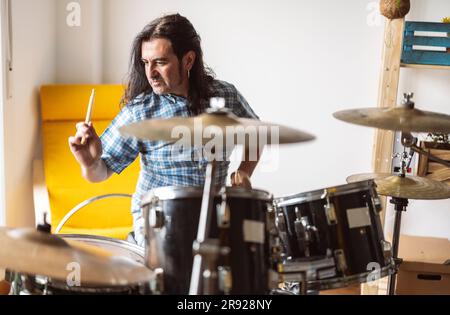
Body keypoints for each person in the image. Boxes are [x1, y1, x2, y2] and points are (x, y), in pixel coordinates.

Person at [68, 13, 261, 246]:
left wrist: (245, 171)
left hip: (214, 219)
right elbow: (100, 173)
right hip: (158, 226)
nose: (150, 73)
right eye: (145, 63)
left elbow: (257, 134)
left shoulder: (225, 96)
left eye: (160, 62)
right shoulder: (139, 112)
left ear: (188, 60)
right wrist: (89, 163)